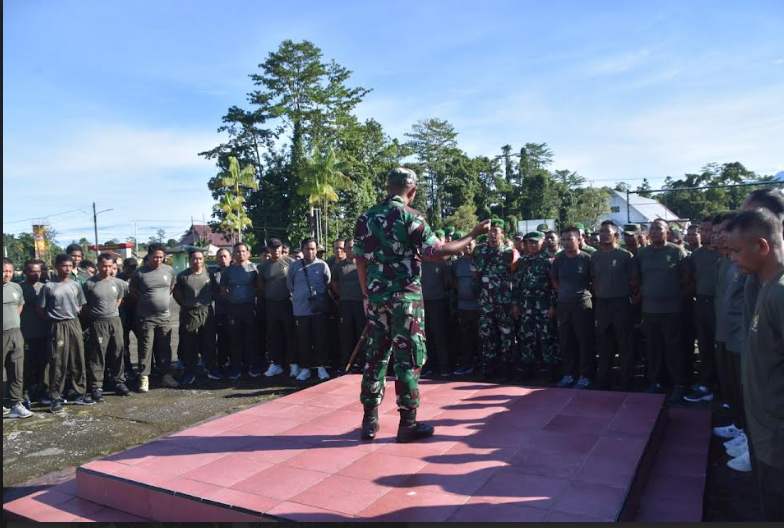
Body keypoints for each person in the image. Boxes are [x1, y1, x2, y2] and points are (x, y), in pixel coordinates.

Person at [354, 167, 490, 443]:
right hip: (405, 298)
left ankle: (369, 422)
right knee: (408, 358)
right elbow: (438, 253)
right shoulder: (410, 216)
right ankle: (408, 425)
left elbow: (359, 258)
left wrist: (367, 294)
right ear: (413, 191)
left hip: (376, 297)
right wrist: (473, 234)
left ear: (387, 188)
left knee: (375, 355)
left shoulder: (365, 217)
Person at [725, 209, 784, 521]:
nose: (732, 258)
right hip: (766, 436)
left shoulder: (780, 293)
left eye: (736, 251)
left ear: (762, 246)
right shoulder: (765, 286)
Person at [635, 219, 690, 401]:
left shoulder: (676, 251)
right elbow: (638, 279)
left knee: (674, 348)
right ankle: (655, 381)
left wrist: (670, 292)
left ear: (667, 232)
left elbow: (686, 278)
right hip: (649, 310)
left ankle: (679, 384)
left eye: (658, 228)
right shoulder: (642, 253)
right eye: (652, 229)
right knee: (653, 348)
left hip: (672, 310)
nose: (654, 231)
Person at [38, 254, 93, 412]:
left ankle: (79, 393)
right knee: (58, 361)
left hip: (74, 323)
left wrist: (73, 314)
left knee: (77, 358)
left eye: (70, 266)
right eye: (64, 266)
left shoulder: (75, 285)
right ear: (56, 266)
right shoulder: (49, 286)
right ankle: (55, 397)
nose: (67, 269)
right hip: (57, 326)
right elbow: (40, 309)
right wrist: (54, 319)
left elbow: (81, 305)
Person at [592, 221, 637, 391]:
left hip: (621, 303)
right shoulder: (595, 256)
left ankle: (626, 380)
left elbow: (634, 281)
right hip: (602, 304)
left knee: (625, 344)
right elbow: (594, 279)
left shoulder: (625, 256)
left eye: (607, 232)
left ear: (616, 235)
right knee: (604, 344)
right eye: (601, 232)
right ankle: (603, 380)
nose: (603, 235)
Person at [129, 243, 178, 392]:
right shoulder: (139, 273)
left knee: (165, 348)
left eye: (161, 257)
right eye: (155, 257)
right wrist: (147, 302)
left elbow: (171, 288)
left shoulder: (169, 270)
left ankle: (166, 375)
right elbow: (133, 292)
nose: (158, 260)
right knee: (145, 348)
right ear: (149, 256)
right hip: (146, 318)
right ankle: (144, 378)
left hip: (164, 318)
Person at [472, 219, 516, 379]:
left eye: (496, 231)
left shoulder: (509, 253)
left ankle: (507, 368)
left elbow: (514, 276)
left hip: (504, 301)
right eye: (490, 231)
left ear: (502, 233)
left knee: (506, 334)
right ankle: (489, 367)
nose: (492, 234)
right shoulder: (479, 251)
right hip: (485, 302)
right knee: (486, 334)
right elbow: (475, 273)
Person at [551, 226, 594, 389]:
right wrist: (564, 293)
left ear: (579, 239)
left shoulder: (587, 258)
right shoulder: (558, 259)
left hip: (582, 304)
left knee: (584, 341)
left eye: (570, 239)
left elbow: (594, 281)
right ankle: (569, 374)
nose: (566, 242)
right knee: (566, 340)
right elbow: (554, 280)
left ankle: (586, 375)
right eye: (563, 239)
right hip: (563, 304)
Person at [683, 217, 721, 403]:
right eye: (703, 230)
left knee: (722, 347)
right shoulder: (696, 255)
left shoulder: (725, 254)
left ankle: (725, 385)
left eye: (709, 230)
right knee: (705, 345)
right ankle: (706, 383)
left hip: (720, 304)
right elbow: (692, 280)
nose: (705, 234)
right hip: (701, 303)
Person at [82, 254, 129, 401]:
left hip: (115, 321)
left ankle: (118, 382)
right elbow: (84, 305)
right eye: (104, 266)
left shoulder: (119, 283)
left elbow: (119, 300)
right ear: (98, 266)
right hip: (98, 323)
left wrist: (111, 312)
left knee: (118, 351)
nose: (107, 269)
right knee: (98, 354)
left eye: (110, 266)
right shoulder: (90, 284)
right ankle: (96, 386)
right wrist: (97, 315)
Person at [514, 231, 557, 380]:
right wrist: (515, 304)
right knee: (526, 338)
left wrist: (553, 305)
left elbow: (555, 286)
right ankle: (528, 369)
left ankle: (551, 370)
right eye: (529, 242)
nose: (532, 245)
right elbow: (517, 285)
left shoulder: (549, 261)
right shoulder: (522, 261)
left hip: (544, 306)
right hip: (526, 306)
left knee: (547, 338)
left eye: (535, 242)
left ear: (542, 243)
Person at [287, 238, 331, 382]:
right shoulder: (295, 266)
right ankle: (305, 368)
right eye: (307, 249)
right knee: (303, 340)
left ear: (316, 250)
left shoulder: (323, 265)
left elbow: (327, 283)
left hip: (318, 309)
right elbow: (290, 285)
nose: (310, 251)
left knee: (320, 339)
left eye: (313, 249)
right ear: (302, 249)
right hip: (300, 310)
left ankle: (321, 367)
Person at [173, 250, 217, 385]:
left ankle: (210, 368)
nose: (197, 261)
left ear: (203, 260)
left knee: (209, 341)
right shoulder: (182, 276)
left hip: (206, 311)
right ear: (190, 260)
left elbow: (213, 291)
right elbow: (177, 294)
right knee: (189, 343)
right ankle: (190, 371)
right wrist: (187, 305)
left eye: (200, 258)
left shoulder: (209, 274)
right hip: (189, 313)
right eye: (194, 259)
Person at [219, 242, 261, 380]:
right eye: (238, 251)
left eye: (243, 251)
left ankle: (252, 366)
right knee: (235, 339)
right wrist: (233, 299)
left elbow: (258, 287)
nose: (241, 254)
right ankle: (236, 367)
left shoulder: (254, 269)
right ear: (233, 254)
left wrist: (248, 297)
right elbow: (223, 289)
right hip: (233, 309)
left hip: (249, 308)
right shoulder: (228, 271)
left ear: (248, 253)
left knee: (251, 338)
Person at [259, 238, 297, 378]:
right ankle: (276, 364)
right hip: (271, 305)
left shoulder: (291, 262)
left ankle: (294, 364)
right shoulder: (264, 266)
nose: (275, 250)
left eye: (278, 247)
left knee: (290, 334)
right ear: (268, 249)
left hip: (288, 303)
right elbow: (262, 285)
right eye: (272, 247)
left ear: (281, 248)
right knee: (274, 335)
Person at [331, 238, 367, 374]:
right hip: (345, 304)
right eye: (349, 247)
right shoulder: (338, 266)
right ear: (345, 249)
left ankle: (363, 364)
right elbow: (334, 285)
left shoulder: (364, 264)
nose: (352, 250)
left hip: (361, 304)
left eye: (354, 247)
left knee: (362, 335)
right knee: (346, 335)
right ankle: (346, 365)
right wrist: (344, 295)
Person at [3, 258, 34, 418]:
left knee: (16, 370)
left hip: (15, 333)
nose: (7, 274)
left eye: (9, 271)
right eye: (3, 271)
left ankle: (16, 403)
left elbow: (19, 306)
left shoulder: (16, 287)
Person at [451, 238, 481, 375]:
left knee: (481, 337)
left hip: (479, 306)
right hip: (463, 306)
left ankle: (483, 364)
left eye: (470, 244)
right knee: (465, 338)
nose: (467, 247)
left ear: (476, 245)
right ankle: (467, 365)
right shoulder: (457, 263)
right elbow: (454, 282)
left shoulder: (480, 260)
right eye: (465, 244)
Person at [20, 259, 48, 405]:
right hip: (26, 334)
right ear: (25, 272)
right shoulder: (19, 288)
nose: (36, 274)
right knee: (26, 366)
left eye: (38, 271)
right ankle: (26, 393)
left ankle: (42, 391)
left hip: (43, 333)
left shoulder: (45, 287)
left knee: (43, 365)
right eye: (32, 271)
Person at [116, 258, 138, 383]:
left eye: (134, 268)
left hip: (136, 315)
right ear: (123, 267)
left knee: (145, 343)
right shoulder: (117, 279)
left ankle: (147, 367)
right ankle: (127, 368)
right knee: (124, 345)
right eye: (129, 268)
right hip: (122, 316)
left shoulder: (138, 277)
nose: (132, 271)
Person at [211, 248, 231, 377]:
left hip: (236, 311)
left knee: (236, 339)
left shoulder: (236, 271)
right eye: (220, 257)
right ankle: (222, 363)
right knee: (222, 340)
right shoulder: (213, 274)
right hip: (221, 312)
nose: (222, 259)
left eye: (225, 256)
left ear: (230, 257)